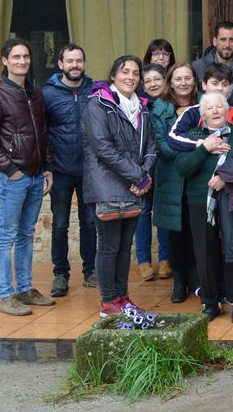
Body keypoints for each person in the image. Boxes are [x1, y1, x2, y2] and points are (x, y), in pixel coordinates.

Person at [0, 38, 56, 317]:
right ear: (5, 60)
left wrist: (46, 166)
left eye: (26, 56)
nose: (22, 61)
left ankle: (25, 288)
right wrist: (10, 169)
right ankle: (6, 295)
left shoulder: (35, 93)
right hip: (14, 177)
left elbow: (42, 133)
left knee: (26, 234)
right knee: (6, 236)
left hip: (35, 176)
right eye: (16, 57)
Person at [173, 90, 233, 321]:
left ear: (227, 111)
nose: (215, 111)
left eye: (219, 107)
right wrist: (205, 148)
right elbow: (183, 168)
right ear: (202, 114)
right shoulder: (193, 136)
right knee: (205, 254)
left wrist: (227, 178)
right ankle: (210, 303)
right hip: (200, 204)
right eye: (209, 108)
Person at [82, 55, 156, 317]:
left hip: (134, 185)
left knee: (126, 246)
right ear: (113, 75)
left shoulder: (142, 107)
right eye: (125, 72)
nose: (131, 77)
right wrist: (138, 176)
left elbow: (150, 147)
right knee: (109, 245)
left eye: (136, 73)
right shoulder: (98, 104)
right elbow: (103, 148)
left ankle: (123, 298)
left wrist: (143, 175)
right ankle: (108, 301)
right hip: (106, 184)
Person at [43, 43, 97, 297]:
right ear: (60, 64)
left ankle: (91, 271)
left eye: (79, 60)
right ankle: (60, 275)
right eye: (70, 61)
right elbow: (42, 133)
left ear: (84, 63)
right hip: (61, 171)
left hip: (89, 170)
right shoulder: (47, 94)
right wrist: (48, 166)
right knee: (60, 225)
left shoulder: (96, 91)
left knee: (89, 223)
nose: (75, 65)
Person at [151, 63, 200, 302]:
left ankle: (198, 280)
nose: (183, 83)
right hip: (171, 180)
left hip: (198, 177)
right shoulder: (160, 108)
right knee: (176, 235)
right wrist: (196, 146)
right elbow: (163, 146)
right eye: (178, 78)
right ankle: (179, 282)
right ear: (170, 82)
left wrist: (191, 143)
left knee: (198, 232)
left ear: (194, 81)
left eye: (187, 78)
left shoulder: (204, 103)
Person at [135, 63, 172, 282]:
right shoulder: (137, 106)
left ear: (165, 80)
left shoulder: (171, 104)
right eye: (147, 81)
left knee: (163, 211)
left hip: (165, 166)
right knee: (142, 212)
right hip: (141, 168)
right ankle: (143, 261)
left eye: (157, 79)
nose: (152, 84)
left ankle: (166, 259)